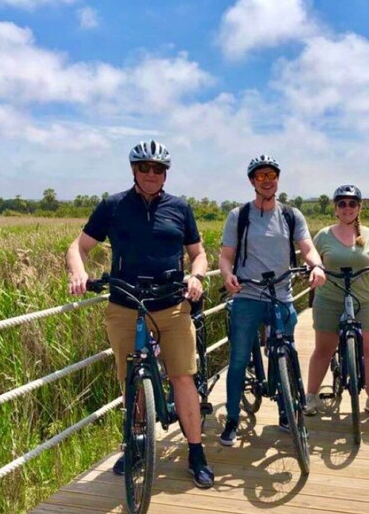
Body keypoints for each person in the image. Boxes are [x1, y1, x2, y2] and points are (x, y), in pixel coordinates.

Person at [66, 140, 214, 488]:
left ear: (165, 173)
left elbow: (198, 253)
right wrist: (77, 272)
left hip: (171, 304)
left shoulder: (180, 208)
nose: (151, 174)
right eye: (144, 167)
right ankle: (135, 444)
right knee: (131, 378)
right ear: (134, 170)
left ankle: (196, 452)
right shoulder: (113, 206)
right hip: (125, 304)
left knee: (183, 377)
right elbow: (79, 246)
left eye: (158, 169)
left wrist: (196, 276)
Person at [218, 154, 326, 446]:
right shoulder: (238, 216)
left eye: (272, 175)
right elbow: (226, 257)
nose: (267, 180)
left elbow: (307, 248)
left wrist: (316, 265)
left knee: (286, 352)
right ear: (253, 181)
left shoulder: (291, 215)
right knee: (239, 358)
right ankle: (231, 419)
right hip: (248, 295)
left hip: (281, 295)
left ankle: (286, 411)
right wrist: (227, 276)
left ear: (278, 179)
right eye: (261, 176)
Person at [305, 185, 369, 418]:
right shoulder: (323, 235)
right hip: (329, 299)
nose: (347, 208)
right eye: (342, 203)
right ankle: (310, 396)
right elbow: (312, 261)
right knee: (323, 350)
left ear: (359, 207)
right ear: (335, 208)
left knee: (367, 351)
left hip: (363, 300)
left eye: (352, 203)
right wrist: (313, 269)